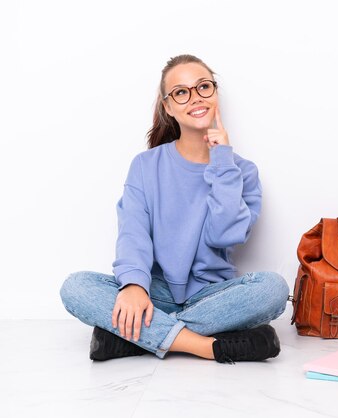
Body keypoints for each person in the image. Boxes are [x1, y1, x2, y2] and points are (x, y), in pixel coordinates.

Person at [60, 54, 289, 363]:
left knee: (273, 289)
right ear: (167, 106)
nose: (195, 97)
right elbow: (133, 233)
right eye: (181, 92)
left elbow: (226, 235)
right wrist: (133, 286)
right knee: (76, 287)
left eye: (203, 87)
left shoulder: (241, 171)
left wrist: (222, 160)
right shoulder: (145, 165)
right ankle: (205, 346)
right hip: (155, 292)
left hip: (212, 295)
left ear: (215, 93)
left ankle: (133, 339)